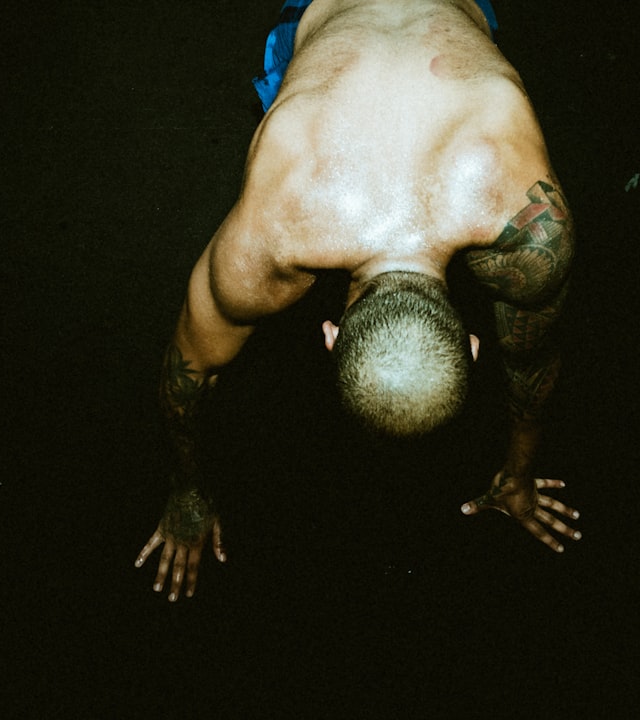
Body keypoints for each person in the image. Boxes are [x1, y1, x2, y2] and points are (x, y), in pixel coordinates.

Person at [135, 0, 580, 602]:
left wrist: (190, 489)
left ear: (329, 335)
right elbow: (531, 362)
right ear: (475, 347)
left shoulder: (277, 230)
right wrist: (517, 475)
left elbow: (190, 372)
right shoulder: (275, 227)